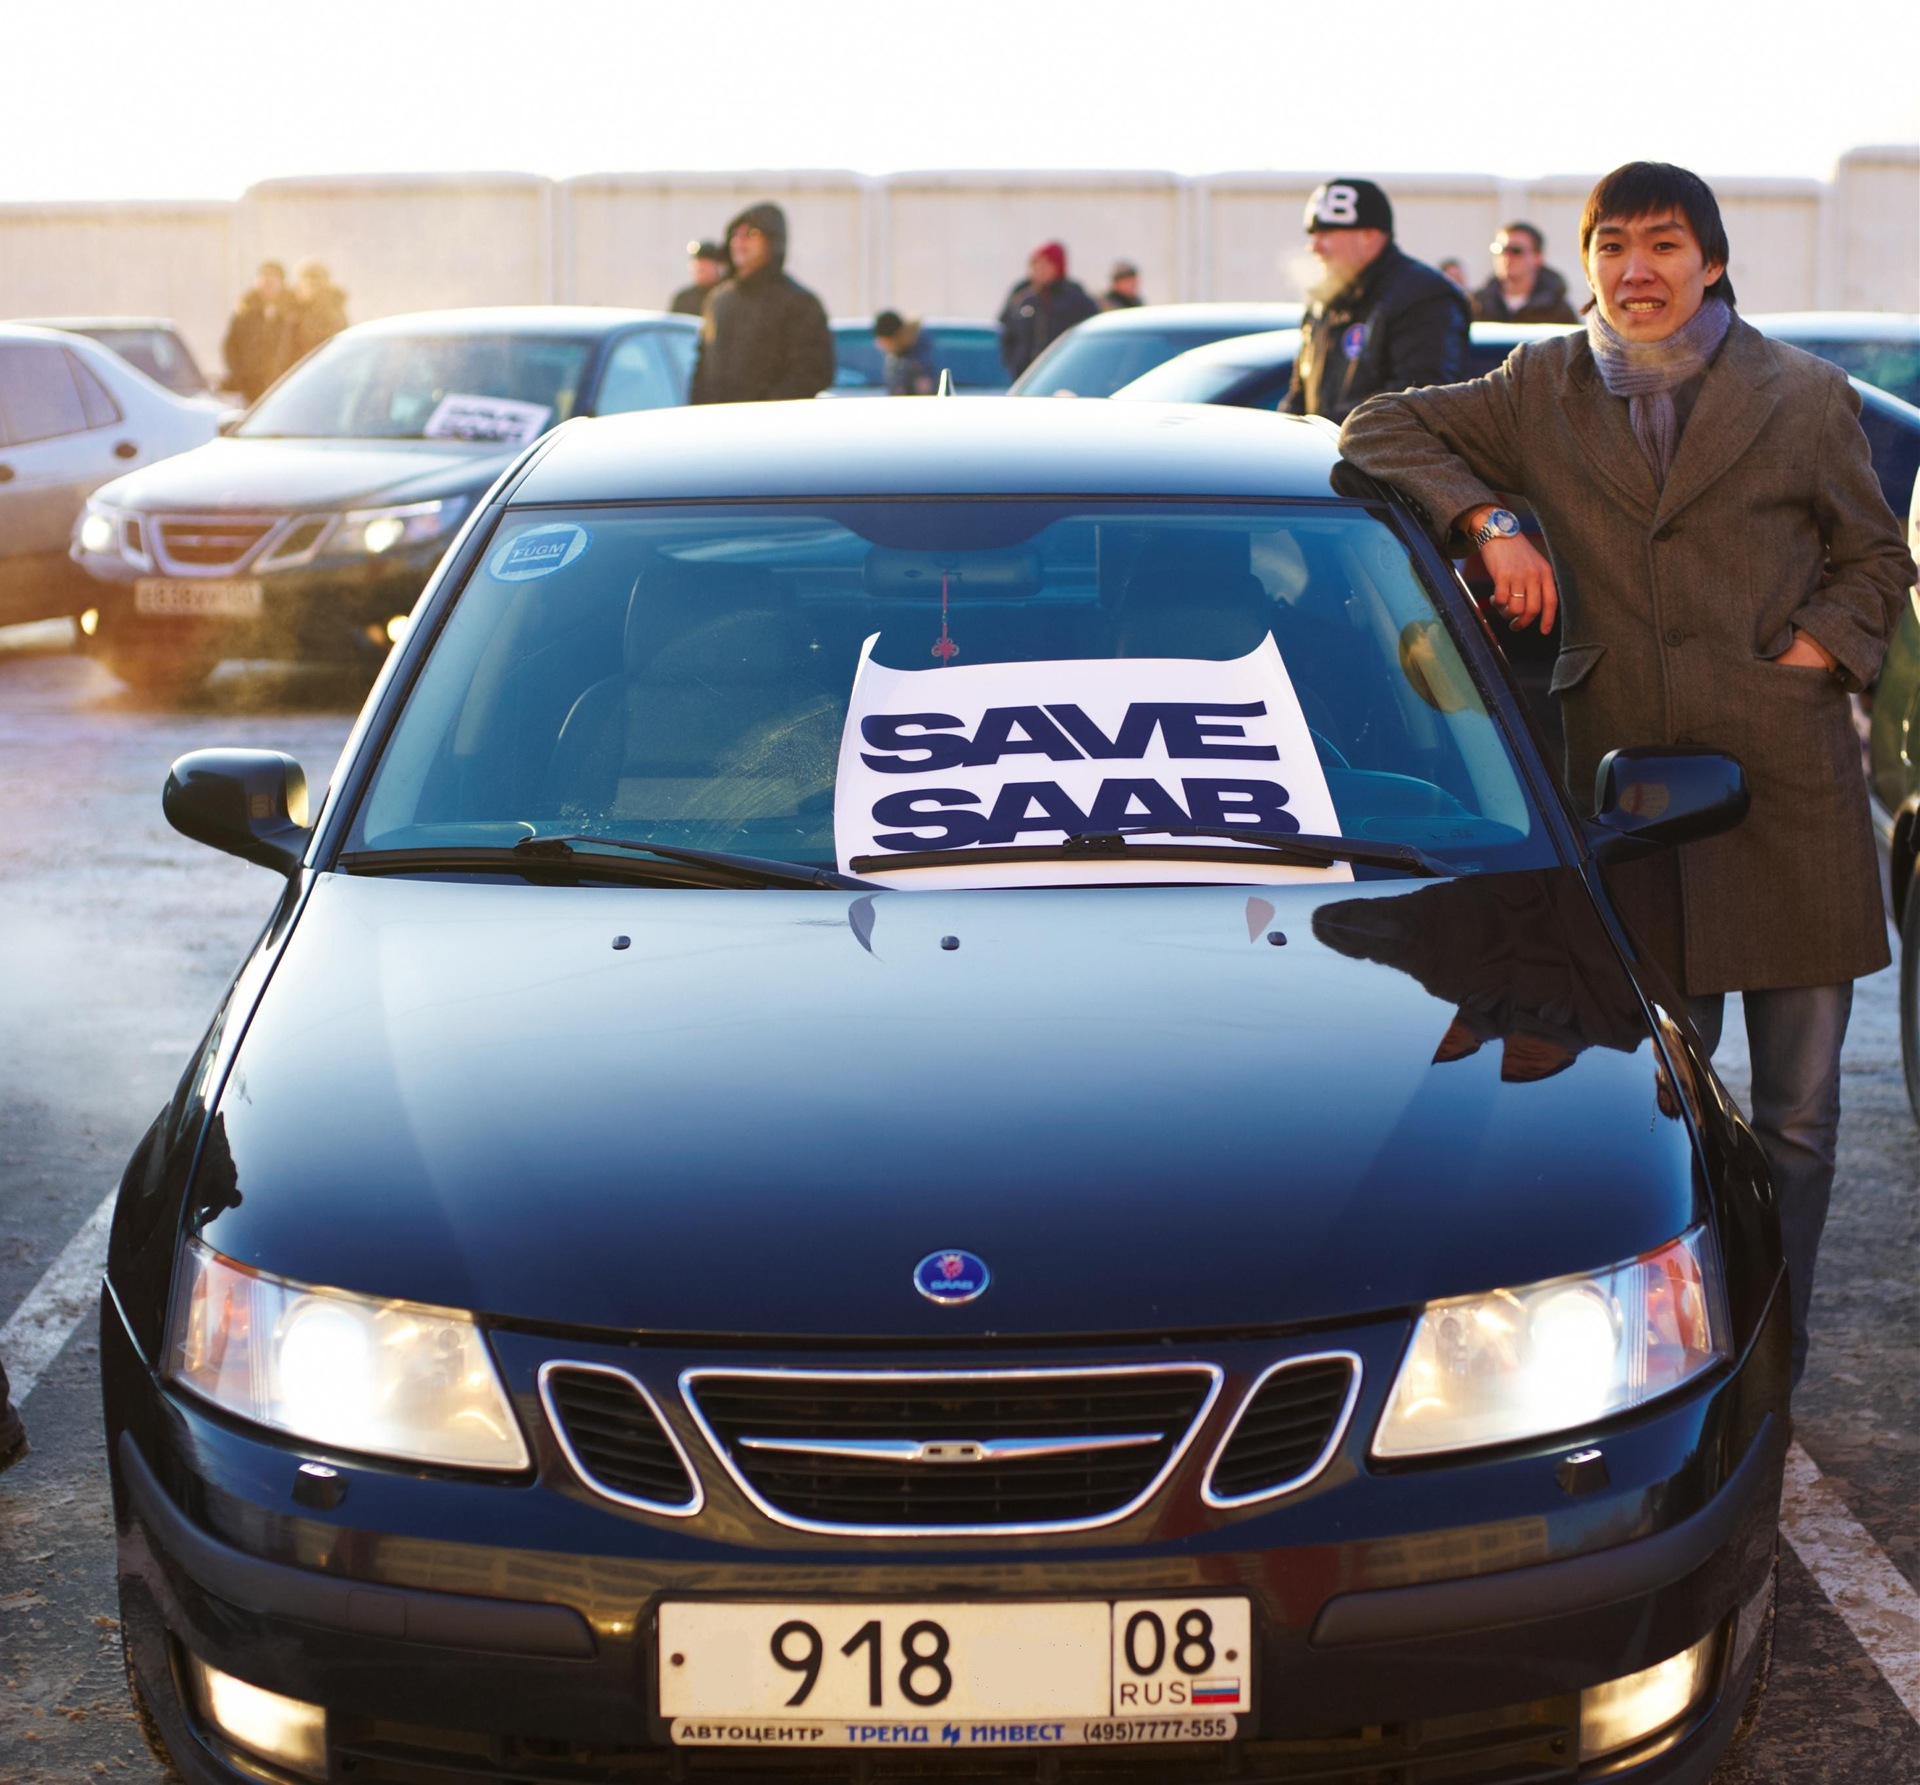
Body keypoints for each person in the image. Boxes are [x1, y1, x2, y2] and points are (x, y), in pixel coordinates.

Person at [1339, 161, 1915, 1386]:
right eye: (1612, 246)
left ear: (1711, 262)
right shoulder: (1538, 384)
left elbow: (1876, 557)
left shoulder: (1803, 393)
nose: (1636, 271)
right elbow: (1377, 427)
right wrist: (1490, 521)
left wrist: (1815, 654)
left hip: (1788, 790)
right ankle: (1686, 1353)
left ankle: (1780, 1352)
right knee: (1659, 1117)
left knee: (1800, 1118)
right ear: (1587, 260)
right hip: (1629, 803)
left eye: (1663, 246)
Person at [1281, 179, 1470, 424]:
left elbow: (1418, 401)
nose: (1314, 247)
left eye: (1325, 233)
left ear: (1370, 235)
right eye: (1312, 235)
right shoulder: (1325, 301)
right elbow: (1298, 394)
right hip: (1329, 448)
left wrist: (1326, 429)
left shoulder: (1424, 296)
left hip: (1381, 451)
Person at [688, 202, 835, 404]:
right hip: (718, 420)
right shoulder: (719, 300)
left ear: (772, 241)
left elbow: (813, 371)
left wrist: (766, 408)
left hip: (772, 420)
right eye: (735, 234)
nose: (740, 242)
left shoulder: (800, 303)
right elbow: (703, 370)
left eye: (751, 234)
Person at [998, 242, 1099, 380]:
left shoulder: (1075, 299)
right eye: (1036, 265)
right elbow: (1006, 331)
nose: (1040, 270)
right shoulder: (1022, 296)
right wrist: (1014, 362)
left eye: (1046, 265)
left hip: (1064, 375)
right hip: (1025, 377)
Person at [1471, 222, 1580, 324]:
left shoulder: (1558, 311)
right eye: (1500, 249)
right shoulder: (1477, 306)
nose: (1506, 256)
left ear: (1537, 258)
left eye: (1516, 250)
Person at [221, 260, 291, 403]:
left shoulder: (292, 311)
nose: (267, 284)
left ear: (282, 283)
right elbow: (230, 346)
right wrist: (240, 375)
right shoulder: (245, 310)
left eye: (273, 279)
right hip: (250, 387)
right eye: (264, 278)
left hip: (285, 384)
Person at [286, 260, 349, 365]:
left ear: (313, 285)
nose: (297, 287)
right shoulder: (303, 308)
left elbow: (321, 349)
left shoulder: (326, 313)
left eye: (301, 282)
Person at [873, 311, 936, 395]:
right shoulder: (897, 355)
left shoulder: (919, 356)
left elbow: (926, 389)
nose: (880, 345)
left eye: (883, 341)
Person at [670, 239, 729, 317]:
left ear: (718, 266)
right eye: (697, 261)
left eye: (706, 262)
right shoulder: (683, 299)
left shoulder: (726, 296)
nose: (700, 266)